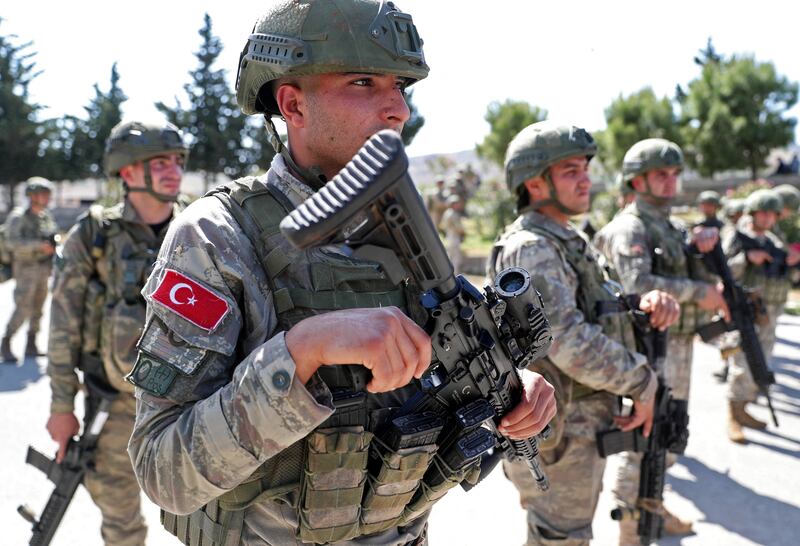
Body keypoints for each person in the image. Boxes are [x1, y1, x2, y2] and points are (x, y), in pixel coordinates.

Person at [126, 2, 555, 545]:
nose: (397, 108)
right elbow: (162, 470)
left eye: (401, 86)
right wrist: (301, 351)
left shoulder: (400, 223)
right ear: (293, 104)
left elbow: (439, 370)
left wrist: (509, 392)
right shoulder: (217, 235)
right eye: (363, 81)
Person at [489, 121, 679, 546]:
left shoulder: (567, 240)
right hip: (561, 434)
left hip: (577, 425)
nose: (586, 179)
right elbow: (569, 340)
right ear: (536, 183)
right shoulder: (533, 246)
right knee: (562, 536)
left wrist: (642, 304)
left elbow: (597, 310)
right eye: (571, 171)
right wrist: (641, 380)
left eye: (585, 169)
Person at [46, 120, 189, 545]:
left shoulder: (204, 230)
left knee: (209, 519)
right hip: (113, 408)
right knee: (121, 518)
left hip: (194, 404)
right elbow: (63, 325)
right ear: (127, 173)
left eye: (177, 161)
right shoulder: (93, 235)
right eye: (159, 162)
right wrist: (60, 405)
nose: (174, 171)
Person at [593, 138, 730, 544]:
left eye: (674, 174)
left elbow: (693, 273)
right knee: (642, 440)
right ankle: (631, 528)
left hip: (677, 346)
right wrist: (696, 291)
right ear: (636, 180)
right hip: (647, 349)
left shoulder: (670, 227)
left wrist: (705, 254)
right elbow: (637, 285)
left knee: (667, 434)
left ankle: (653, 503)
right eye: (659, 175)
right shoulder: (630, 227)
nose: (670, 183)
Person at [723, 189, 798, 443]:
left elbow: (787, 276)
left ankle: (743, 409)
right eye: (762, 213)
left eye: (771, 214)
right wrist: (746, 258)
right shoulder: (737, 238)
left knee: (761, 363)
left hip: (769, 313)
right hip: (746, 313)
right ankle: (733, 415)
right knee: (742, 364)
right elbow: (720, 272)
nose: (766, 219)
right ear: (752, 213)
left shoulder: (773, 242)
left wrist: (790, 262)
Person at [1, 177, 57, 363]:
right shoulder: (18, 217)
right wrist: (38, 246)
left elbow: (52, 235)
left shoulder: (45, 216)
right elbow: (12, 243)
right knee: (23, 307)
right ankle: (6, 343)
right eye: (43, 194)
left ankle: (31, 344)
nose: (47, 198)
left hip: (43, 268)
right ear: (32, 196)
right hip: (25, 269)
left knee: (39, 308)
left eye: (48, 194)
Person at [441, 194, 466, 274]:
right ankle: (455, 276)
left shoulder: (447, 213)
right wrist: (463, 233)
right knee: (456, 259)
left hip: (449, 237)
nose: (458, 205)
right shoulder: (453, 213)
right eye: (456, 203)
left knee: (450, 258)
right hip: (454, 238)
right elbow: (459, 228)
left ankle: (450, 274)